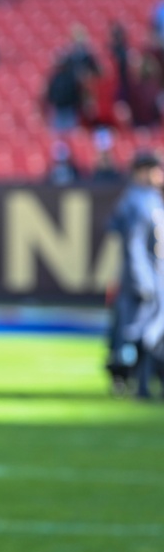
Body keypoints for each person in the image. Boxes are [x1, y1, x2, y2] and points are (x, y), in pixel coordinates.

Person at [106, 150, 164, 397]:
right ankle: (136, 383)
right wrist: (142, 279)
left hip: (155, 275)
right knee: (140, 333)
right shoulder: (136, 201)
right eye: (155, 169)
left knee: (150, 333)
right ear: (142, 172)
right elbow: (133, 243)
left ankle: (142, 382)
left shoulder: (152, 199)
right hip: (146, 278)